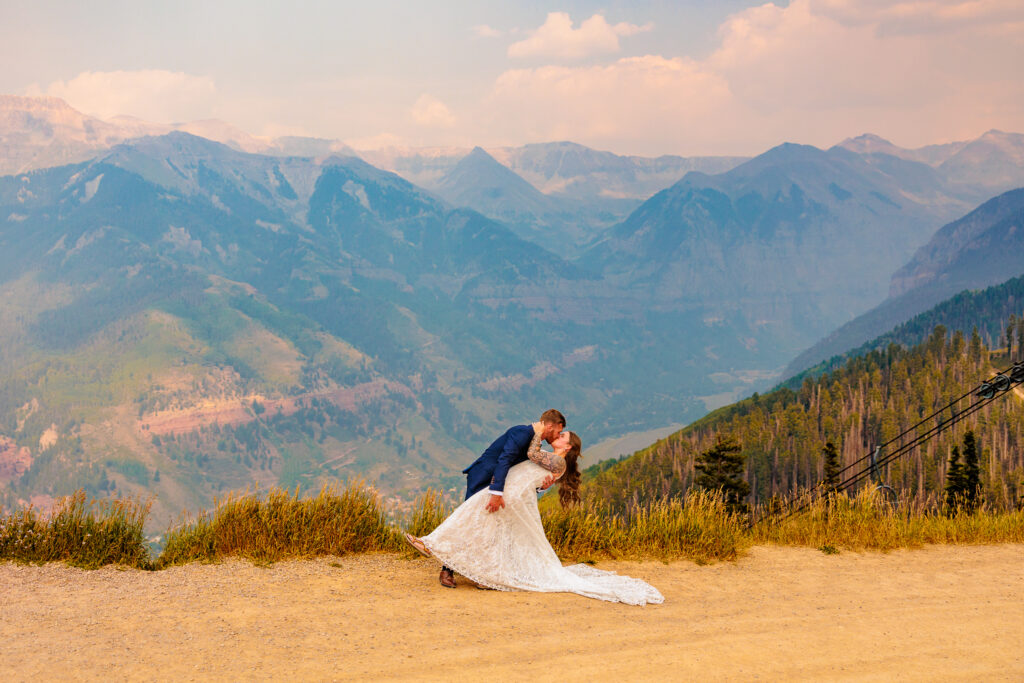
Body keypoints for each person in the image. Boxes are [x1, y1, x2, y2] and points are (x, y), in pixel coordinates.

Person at [405, 428, 664, 606]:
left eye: (562, 436)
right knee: (477, 523)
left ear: (568, 446)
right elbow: (536, 478)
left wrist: (537, 431)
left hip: (510, 496)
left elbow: (531, 456)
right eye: (559, 433)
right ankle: (445, 553)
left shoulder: (557, 462)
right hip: (507, 492)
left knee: (471, 517)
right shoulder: (554, 462)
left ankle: (430, 544)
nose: (558, 436)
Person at [409, 410, 565, 588]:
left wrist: (540, 486)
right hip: (482, 477)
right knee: (470, 521)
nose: (558, 435)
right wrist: (496, 492)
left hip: (499, 482)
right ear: (550, 425)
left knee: (490, 526)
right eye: (558, 431)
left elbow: (524, 473)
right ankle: (446, 569)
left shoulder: (535, 443)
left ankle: (481, 574)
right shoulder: (521, 432)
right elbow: (504, 460)